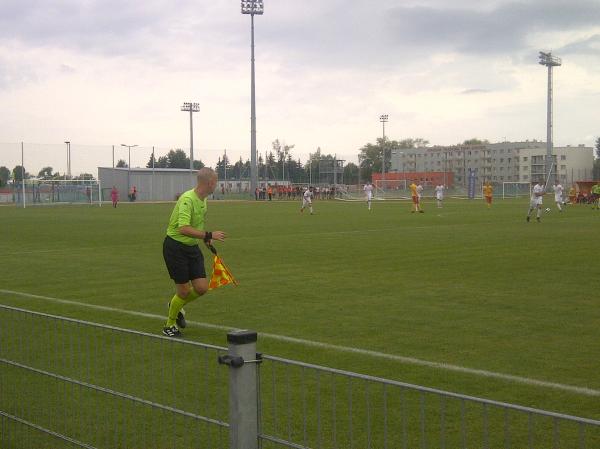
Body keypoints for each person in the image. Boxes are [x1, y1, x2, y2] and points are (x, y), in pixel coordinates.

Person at [162, 168, 226, 337]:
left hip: (191, 247)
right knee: (183, 291)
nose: (216, 185)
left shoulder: (203, 200)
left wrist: (205, 238)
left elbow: (196, 225)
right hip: (175, 247)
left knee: (201, 288)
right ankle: (169, 325)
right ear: (210, 183)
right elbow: (183, 228)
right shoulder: (187, 200)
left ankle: (174, 304)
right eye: (216, 182)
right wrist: (209, 234)